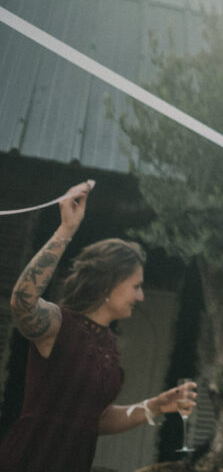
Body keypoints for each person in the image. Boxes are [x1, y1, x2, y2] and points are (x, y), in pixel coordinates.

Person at [0, 180, 195, 472]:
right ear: (108, 284)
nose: (141, 296)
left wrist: (154, 406)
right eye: (136, 286)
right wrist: (66, 230)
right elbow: (22, 302)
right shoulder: (59, 326)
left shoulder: (109, 345)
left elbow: (97, 419)